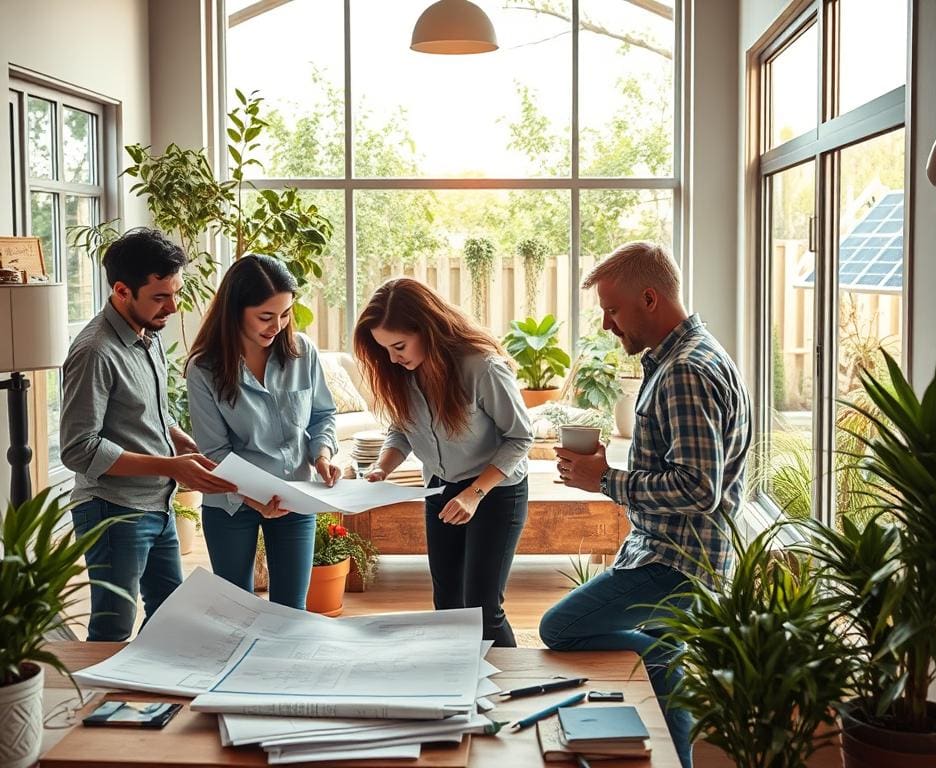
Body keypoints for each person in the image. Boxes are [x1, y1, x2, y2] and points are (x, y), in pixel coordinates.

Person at [540, 241, 752, 768]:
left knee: (559, 629)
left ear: (651, 298)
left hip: (674, 563)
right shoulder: (691, 356)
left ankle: (659, 662)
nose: (609, 326)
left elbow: (699, 489)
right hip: (678, 555)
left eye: (613, 310)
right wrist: (621, 469)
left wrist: (607, 480)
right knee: (665, 678)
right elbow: (688, 470)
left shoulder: (685, 371)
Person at [61, 228, 237, 642]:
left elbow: (143, 413)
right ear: (122, 290)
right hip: (112, 511)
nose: (173, 307)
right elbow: (78, 448)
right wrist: (170, 465)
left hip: (155, 505)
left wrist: (178, 439)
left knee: (168, 617)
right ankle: (100, 707)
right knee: (113, 627)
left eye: (174, 293)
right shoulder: (95, 351)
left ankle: (149, 705)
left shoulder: (148, 334)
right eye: (161, 296)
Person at [353, 278, 533, 646]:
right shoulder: (402, 372)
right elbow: (401, 431)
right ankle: (457, 687)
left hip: (495, 490)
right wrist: (381, 468)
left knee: (482, 607)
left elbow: (520, 437)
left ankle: (512, 686)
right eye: (385, 349)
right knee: (447, 603)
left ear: (427, 329)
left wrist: (474, 494)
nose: (392, 358)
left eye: (399, 346)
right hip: (440, 487)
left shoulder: (481, 367)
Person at [185, 255, 340, 610]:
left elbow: (322, 415)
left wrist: (322, 455)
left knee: (292, 610)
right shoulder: (204, 368)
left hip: (295, 495)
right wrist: (255, 499)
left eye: (285, 313)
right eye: (266, 317)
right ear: (236, 310)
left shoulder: (303, 352)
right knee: (237, 609)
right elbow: (214, 452)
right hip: (231, 500)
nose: (278, 325)